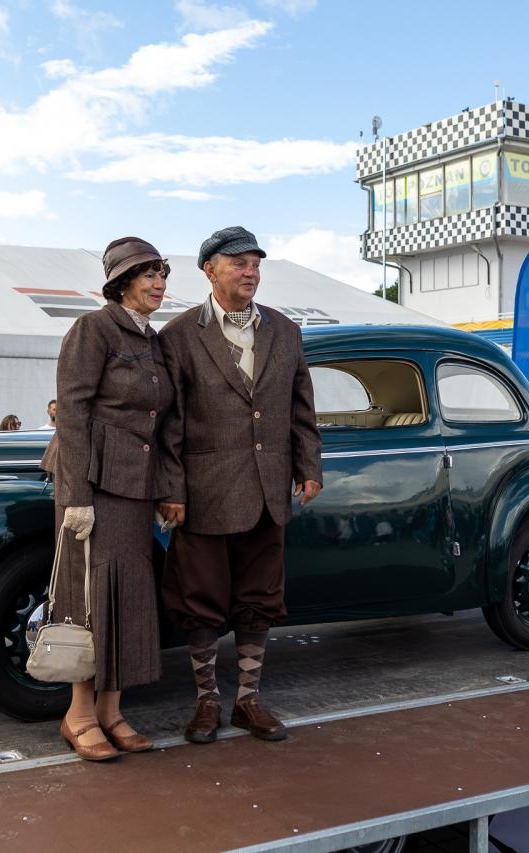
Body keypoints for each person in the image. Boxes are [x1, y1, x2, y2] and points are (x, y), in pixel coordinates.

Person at [158, 225, 323, 745]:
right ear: (210, 270)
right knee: (199, 600)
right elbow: (169, 421)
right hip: (202, 493)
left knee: (259, 599)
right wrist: (171, 488)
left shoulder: (285, 331)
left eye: (255, 263)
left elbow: (301, 407)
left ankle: (247, 701)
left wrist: (309, 466)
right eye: (239, 263)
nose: (250, 272)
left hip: (268, 491)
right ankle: (207, 700)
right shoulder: (179, 335)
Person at [39, 235, 175, 761]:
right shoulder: (93, 328)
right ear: (122, 282)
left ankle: (111, 710)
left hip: (135, 485)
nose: (159, 284)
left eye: (163, 274)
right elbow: (71, 413)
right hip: (91, 482)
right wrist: (76, 495)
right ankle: (77, 715)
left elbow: (159, 422)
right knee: (88, 594)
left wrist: (164, 486)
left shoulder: (152, 340)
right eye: (149, 275)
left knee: (129, 594)